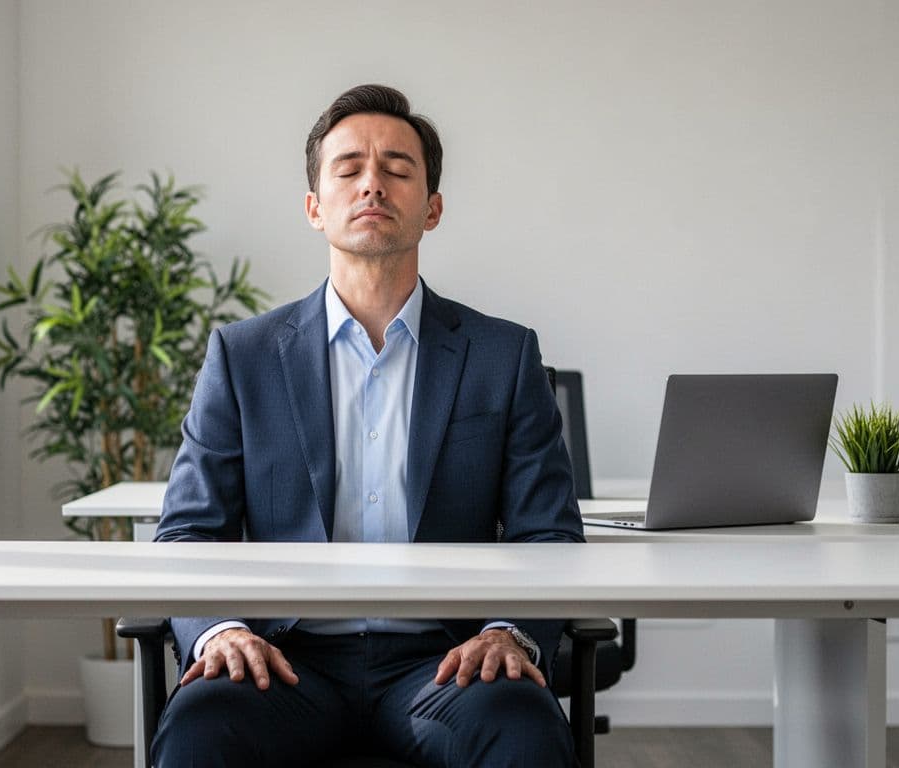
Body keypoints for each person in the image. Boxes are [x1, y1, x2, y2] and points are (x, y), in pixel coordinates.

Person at [152, 84, 585, 767]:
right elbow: (187, 530)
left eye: (397, 169)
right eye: (348, 168)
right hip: (284, 665)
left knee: (522, 728)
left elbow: (548, 530)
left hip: (445, 665)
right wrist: (220, 630)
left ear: (433, 208)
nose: (373, 185)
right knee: (202, 727)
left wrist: (509, 632)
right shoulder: (244, 356)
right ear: (314, 208)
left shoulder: (503, 355)